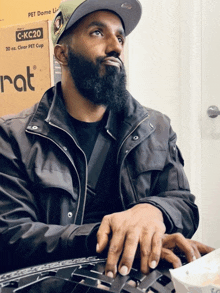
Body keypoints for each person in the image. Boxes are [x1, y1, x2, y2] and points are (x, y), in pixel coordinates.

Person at [0, 0, 199, 275]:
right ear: (62, 54)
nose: (116, 46)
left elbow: (184, 204)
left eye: (120, 37)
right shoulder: (12, 136)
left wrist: (152, 211)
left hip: (141, 277)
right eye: (97, 32)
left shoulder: (156, 127)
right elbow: (11, 236)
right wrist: (106, 237)